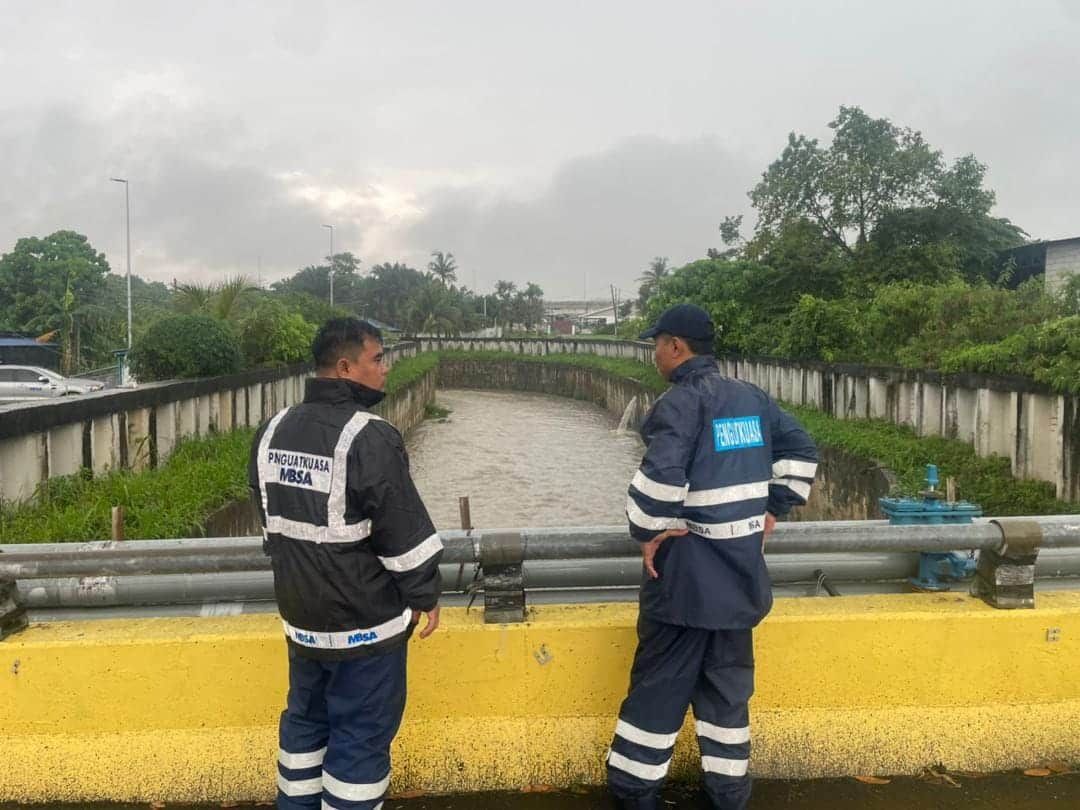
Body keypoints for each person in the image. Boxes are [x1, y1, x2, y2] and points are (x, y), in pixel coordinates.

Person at [605, 303, 818, 810]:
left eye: (656, 344)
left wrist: (647, 532)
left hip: (682, 581)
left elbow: (658, 483)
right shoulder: (751, 398)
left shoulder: (679, 403)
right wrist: (773, 507)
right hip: (740, 580)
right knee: (727, 695)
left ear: (675, 347)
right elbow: (802, 451)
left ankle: (636, 794)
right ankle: (729, 795)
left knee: (657, 693)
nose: (654, 353)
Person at [249, 317, 444, 810]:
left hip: (302, 622)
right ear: (344, 366)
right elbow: (402, 532)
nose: (386, 368)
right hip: (365, 628)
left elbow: (273, 526)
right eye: (377, 359)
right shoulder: (369, 436)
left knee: (306, 727)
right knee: (360, 740)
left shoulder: (272, 431)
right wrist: (425, 594)